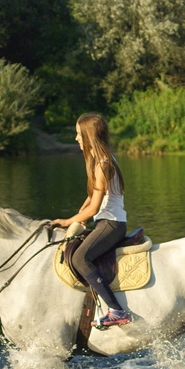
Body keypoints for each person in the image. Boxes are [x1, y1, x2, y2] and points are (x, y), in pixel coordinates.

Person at [51, 113, 133, 328]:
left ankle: (117, 310)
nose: (77, 139)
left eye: (79, 134)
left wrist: (69, 220)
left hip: (112, 223)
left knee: (79, 258)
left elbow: (95, 207)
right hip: (106, 222)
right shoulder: (101, 160)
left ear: (89, 136)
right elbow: (91, 198)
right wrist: (80, 214)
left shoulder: (103, 164)